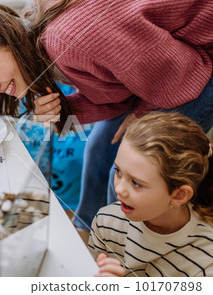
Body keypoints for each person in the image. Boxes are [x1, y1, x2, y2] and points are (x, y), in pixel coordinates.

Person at [0, 0, 213, 232]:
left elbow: (184, 74)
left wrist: (142, 116)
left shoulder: (68, 39)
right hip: (172, 67)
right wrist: (67, 108)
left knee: (123, 172)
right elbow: (119, 92)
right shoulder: (36, 32)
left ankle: (120, 253)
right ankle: (88, 234)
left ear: (6, 40)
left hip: (195, 65)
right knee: (97, 148)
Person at [89, 112, 213, 277]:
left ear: (179, 195)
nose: (119, 189)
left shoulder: (206, 259)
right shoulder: (105, 222)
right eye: (118, 171)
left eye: (136, 183)